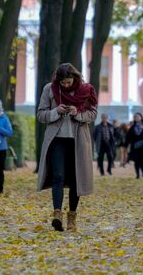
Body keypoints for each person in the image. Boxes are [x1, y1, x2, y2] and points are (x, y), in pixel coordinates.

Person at [36, 63, 98, 232]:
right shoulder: (49, 89)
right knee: (58, 175)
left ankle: (72, 217)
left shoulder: (86, 90)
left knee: (75, 179)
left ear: (75, 78)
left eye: (68, 82)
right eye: (62, 83)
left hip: (77, 140)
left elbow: (92, 114)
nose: (65, 85)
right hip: (57, 140)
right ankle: (57, 214)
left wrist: (77, 114)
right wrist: (56, 111)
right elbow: (40, 114)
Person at [125, 112, 143, 178]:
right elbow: (128, 137)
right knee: (137, 161)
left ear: (141, 117)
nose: (136, 118)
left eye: (138, 116)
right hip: (135, 147)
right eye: (135, 117)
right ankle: (137, 175)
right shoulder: (132, 128)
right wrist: (126, 145)